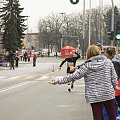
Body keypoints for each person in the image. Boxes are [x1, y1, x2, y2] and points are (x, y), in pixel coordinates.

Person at [50, 45, 117, 120]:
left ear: (88, 54)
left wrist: (58, 80)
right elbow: (114, 78)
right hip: (108, 93)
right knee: (112, 115)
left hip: (94, 96)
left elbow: (73, 76)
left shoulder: (86, 66)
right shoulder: (108, 63)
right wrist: (112, 89)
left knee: (97, 116)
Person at [105, 47, 120, 115]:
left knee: (114, 106)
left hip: (116, 87)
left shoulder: (114, 62)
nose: (105, 55)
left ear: (108, 54)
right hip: (117, 86)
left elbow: (115, 76)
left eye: (106, 53)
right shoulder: (115, 60)